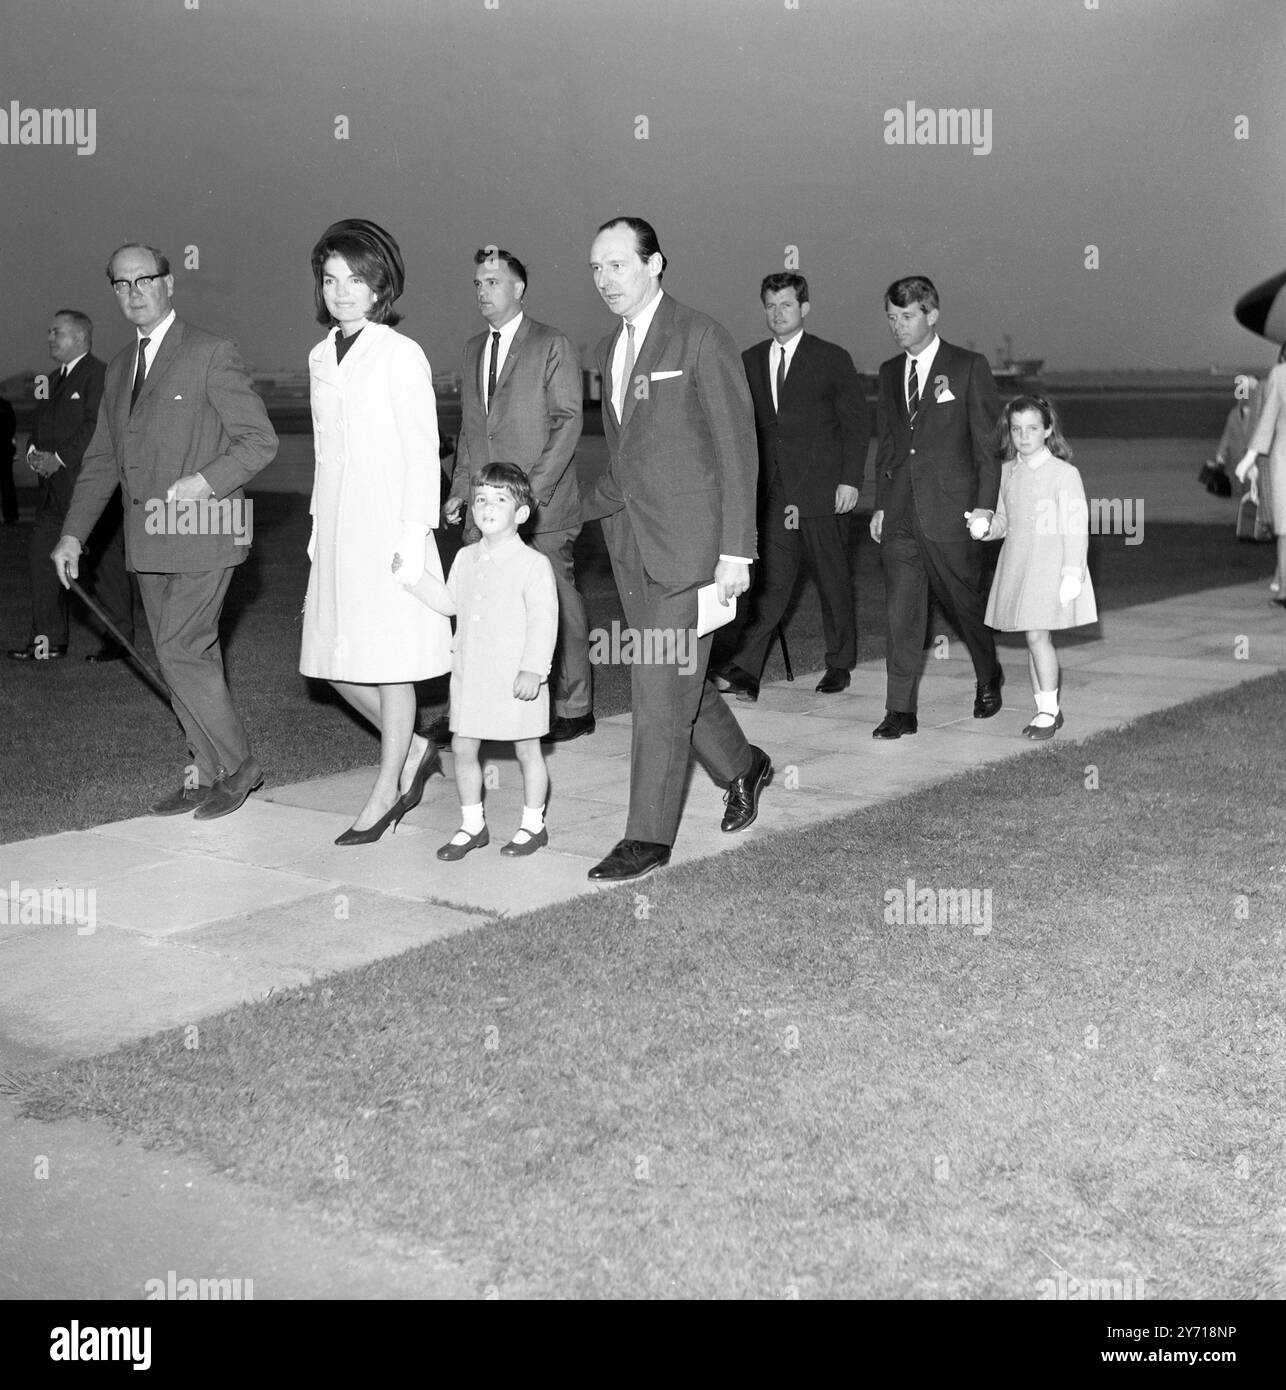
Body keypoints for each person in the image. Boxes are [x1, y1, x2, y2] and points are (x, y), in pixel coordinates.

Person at [52, 243, 278, 819]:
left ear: (170, 283)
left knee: (180, 648)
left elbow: (259, 442)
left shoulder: (210, 352)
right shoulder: (121, 367)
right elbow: (102, 458)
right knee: (180, 654)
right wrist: (74, 534)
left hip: (210, 523)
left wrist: (204, 481)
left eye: (144, 280)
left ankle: (240, 765)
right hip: (151, 534)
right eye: (122, 284)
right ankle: (204, 773)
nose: (134, 293)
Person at [582, 216, 771, 883]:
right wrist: (560, 513)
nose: (606, 279)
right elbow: (627, 460)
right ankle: (744, 766)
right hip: (634, 550)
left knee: (657, 692)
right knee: (675, 680)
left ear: (655, 263)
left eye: (618, 264)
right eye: (597, 268)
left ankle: (647, 838)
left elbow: (736, 448)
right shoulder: (608, 348)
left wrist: (737, 552)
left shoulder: (699, 335)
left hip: (692, 554)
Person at [302, 218, 452, 845]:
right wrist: (316, 524)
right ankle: (416, 750)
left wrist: (414, 530)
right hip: (337, 527)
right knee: (331, 660)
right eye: (331, 279)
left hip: (393, 526)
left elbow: (424, 449)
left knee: (392, 664)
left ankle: (386, 789)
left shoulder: (399, 352)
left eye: (355, 279)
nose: (341, 291)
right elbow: (323, 450)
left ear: (380, 285)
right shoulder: (318, 354)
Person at [443, 247, 591, 741]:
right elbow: (469, 428)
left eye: (492, 282)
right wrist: (462, 489)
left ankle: (574, 708)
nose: (482, 292)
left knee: (555, 602)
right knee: (480, 607)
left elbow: (569, 422)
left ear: (518, 288)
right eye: (477, 284)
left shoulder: (552, 343)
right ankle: (473, 708)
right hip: (485, 511)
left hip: (542, 509)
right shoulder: (471, 349)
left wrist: (528, 496)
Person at [713, 271, 868, 701]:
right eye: (770, 305)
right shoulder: (749, 360)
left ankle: (839, 664)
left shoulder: (831, 358)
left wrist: (850, 480)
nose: (777, 313)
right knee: (771, 584)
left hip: (824, 493)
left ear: (804, 308)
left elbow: (857, 425)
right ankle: (746, 669)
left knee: (832, 581)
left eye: (786, 305)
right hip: (776, 496)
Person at [869, 275, 1003, 738]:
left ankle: (989, 674)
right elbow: (888, 446)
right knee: (901, 615)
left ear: (932, 314)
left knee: (964, 608)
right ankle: (900, 710)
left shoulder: (968, 366)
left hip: (952, 514)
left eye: (906, 317)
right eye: (891, 317)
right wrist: (882, 506)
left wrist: (986, 507)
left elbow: (989, 446)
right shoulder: (889, 373)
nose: (897, 326)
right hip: (901, 516)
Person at [402, 462, 557, 859]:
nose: (487, 507)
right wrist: (412, 578)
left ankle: (533, 824)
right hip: (472, 675)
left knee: (527, 751)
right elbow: (450, 601)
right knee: (463, 746)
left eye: (500, 500)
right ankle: (472, 824)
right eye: (481, 499)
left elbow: (544, 622)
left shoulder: (533, 566)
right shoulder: (466, 558)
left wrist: (534, 670)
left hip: (517, 678)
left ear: (521, 514)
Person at [9, 310, 137, 663]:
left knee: (104, 567)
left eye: (57, 332)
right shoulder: (49, 380)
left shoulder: (101, 375)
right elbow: (40, 423)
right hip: (52, 494)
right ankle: (46, 643)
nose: (50, 337)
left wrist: (60, 458)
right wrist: (34, 451)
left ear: (80, 337)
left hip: (90, 492)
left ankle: (118, 642)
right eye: (49, 332)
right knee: (41, 561)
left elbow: (97, 427)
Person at [975, 396, 1097, 739]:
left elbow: (1076, 525)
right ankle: (1046, 707)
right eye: (1016, 430)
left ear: (1047, 430)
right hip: (1018, 564)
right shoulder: (1007, 472)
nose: (1023, 436)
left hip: (1051, 565)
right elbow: (1003, 520)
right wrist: (986, 528)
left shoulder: (1063, 473)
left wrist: (1073, 573)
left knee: (1036, 635)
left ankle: (1048, 711)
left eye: (1031, 428)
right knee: (1033, 637)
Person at [1235, 345, 1286, 602]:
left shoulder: (1277, 376)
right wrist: (1251, 458)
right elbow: (1264, 421)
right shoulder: (1277, 377)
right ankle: (1283, 584)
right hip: (1278, 462)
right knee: (1283, 528)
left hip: (1277, 459)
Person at [0, 393, 16, 523]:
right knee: (7, 484)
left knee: (7, 484)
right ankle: (10, 515)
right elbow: (12, 426)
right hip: (5, 450)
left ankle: (10, 515)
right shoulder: (5, 406)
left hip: (5, 449)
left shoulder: (5, 406)